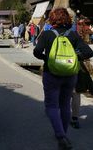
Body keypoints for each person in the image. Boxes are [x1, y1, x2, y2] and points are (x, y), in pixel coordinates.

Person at [33, 8, 93, 150]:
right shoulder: (73, 35)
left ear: (52, 20)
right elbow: (89, 52)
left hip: (51, 74)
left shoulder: (47, 34)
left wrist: (46, 58)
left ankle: (60, 136)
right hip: (70, 75)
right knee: (65, 104)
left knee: (52, 106)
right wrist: (75, 58)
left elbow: (36, 52)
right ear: (67, 19)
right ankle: (64, 134)